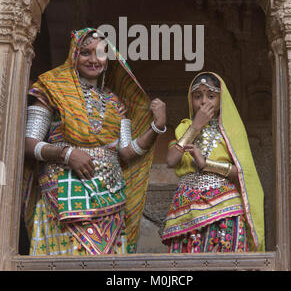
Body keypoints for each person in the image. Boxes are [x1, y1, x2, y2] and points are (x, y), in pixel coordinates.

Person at [22, 27, 167, 255]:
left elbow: (127, 152)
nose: (93, 59)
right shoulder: (52, 89)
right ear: (73, 55)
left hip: (111, 197)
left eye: (99, 53)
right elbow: (28, 144)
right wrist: (67, 155)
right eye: (85, 52)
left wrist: (156, 127)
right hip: (64, 196)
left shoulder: (115, 103)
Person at [161, 72, 265, 253]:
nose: (203, 102)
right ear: (190, 99)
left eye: (211, 96)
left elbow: (242, 173)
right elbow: (171, 160)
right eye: (197, 96)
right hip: (185, 211)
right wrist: (195, 127)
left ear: (220, 99)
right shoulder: (184, 127)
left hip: (225, 210)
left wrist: (206, 164)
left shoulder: (231, 131)